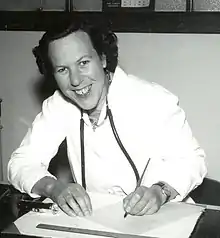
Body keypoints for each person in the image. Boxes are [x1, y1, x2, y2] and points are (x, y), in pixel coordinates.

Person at [7, 18, 207, 217]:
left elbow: (192, 160)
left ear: (102, 58)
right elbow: (21, 162)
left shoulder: (152, 99)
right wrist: (54, 188)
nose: (76, 80)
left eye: (83, 63)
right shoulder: (59, 105)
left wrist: (160, 191)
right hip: (96, 221)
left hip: (163, 218)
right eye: (62, 69)